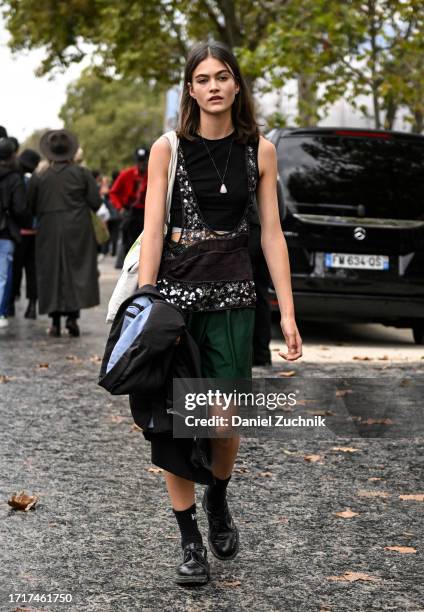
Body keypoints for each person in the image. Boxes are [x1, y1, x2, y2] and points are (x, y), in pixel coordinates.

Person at [136, 41, 302, 585]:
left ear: (236, 86)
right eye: (202, 78)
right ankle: (188, 542)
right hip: (175, 298)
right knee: (175, 425)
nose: (213, 86)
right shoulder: (169, 149)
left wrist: (288, 314)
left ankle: (219, 499)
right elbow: (153, 228)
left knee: (225, 421)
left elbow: (272, 235)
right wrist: (144, 301)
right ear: (191, 89)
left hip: (233, 296)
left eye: (222, 77)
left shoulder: (261, 150)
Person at [27, 129, 101, 337]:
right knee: (76, 270)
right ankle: (72, 317)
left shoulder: (38, 177)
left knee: (51, 271)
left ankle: (55, 321)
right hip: (78, 227)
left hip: (48, 228)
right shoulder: (82, 174)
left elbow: (29, 206)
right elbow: (95, 202)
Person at [9, 148, 41, 319]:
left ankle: (12, 303)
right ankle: (32, 306)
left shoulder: (14, 177)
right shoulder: (35, 180)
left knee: (15, 269)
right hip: (34, 231)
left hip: (18, 232)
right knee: (32, 270)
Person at [0, 138, 29, 328]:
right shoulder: (14, 178)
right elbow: (19, 208)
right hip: (6, 231)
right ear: (12, 156)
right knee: (2, 275)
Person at [109, 147, 149, 257]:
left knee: (147, 243)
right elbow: (113, 192)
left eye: (144, 160)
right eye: (139, 160)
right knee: (129, 242)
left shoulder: (152, 174)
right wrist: (120, 208)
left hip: (147, 213)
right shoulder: (126, 174)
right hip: (130, 212)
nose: (142, 163)